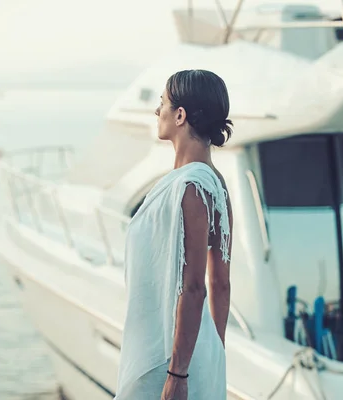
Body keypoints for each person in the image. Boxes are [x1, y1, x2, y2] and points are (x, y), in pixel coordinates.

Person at [114, 69, 234, 400]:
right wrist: (215, 352)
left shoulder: (190, 187)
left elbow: (194, 287)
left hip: (167, 361)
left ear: (180, 115)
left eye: (163, 103)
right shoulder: (215, 182)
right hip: (195, 353)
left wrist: (178, 375)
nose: (157, 111)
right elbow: (220, 283)